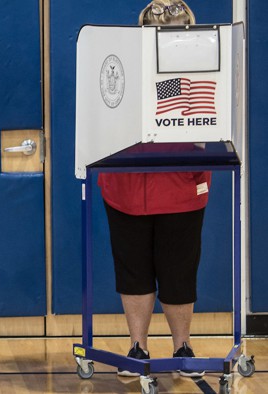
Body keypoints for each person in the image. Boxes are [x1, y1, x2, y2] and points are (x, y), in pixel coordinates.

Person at [99, 0, 208, 378]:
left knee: (179, 271)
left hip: (181, 184)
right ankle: (138, 347)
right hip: (126, 186)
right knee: (134, 272)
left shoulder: (201, 70)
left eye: (175, 28)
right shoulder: (120, 69)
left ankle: (182, 347)